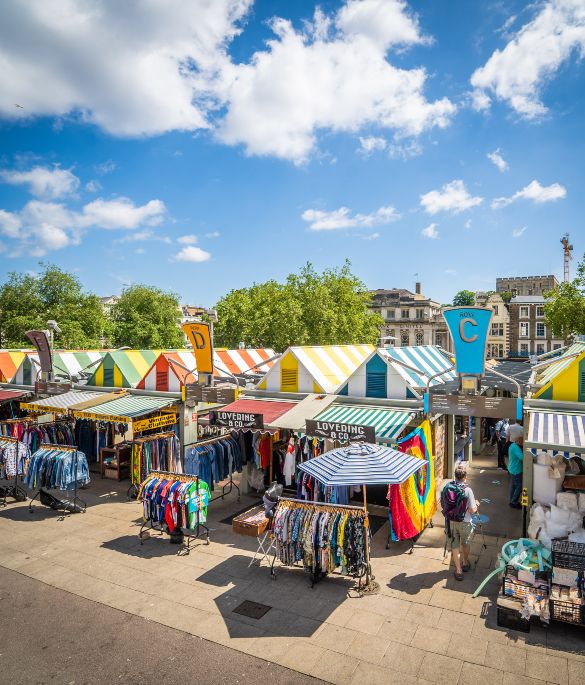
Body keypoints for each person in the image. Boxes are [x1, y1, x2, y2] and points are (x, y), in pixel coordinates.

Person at [441, 466, 478, 581]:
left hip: (451, 521)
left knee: (454, 545)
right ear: (465, 477)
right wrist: (476, 504)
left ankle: (458, 570)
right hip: (465, 522)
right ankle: (465, 562)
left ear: (455, 476)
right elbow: (472, 510)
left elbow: (443, 504)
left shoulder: (447, 487)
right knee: (465, 544)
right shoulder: (467, 490)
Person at [508, 433, 524, 509]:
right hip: (516, 470)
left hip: (512, 468)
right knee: (519, 486)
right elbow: (522, 458)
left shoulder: (512, 445)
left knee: (514, 486)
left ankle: (512, 500)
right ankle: (514, 502)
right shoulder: (516, 448)